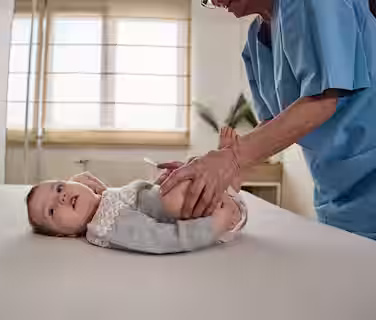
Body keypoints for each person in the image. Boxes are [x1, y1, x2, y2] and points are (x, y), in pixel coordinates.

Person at [159, 0, 376, 240]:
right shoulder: (256, 41)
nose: (215, 0)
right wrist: (212, 173)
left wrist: (232, 159)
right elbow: (276, 124)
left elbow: (322, 101)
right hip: (334, 189)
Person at [25, 169, 247, 254]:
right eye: (52, 210)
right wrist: (212, 227)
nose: (61, 197)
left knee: (182, 174)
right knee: (171, 197)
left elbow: (140, 201)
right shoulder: (105, 225)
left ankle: (229, 172)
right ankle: (229, 186)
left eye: (59, 188)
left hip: (205, 197)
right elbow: (158, 238)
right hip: (214, 216)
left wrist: (160, 182)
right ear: (66, 235)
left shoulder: (104, 199)